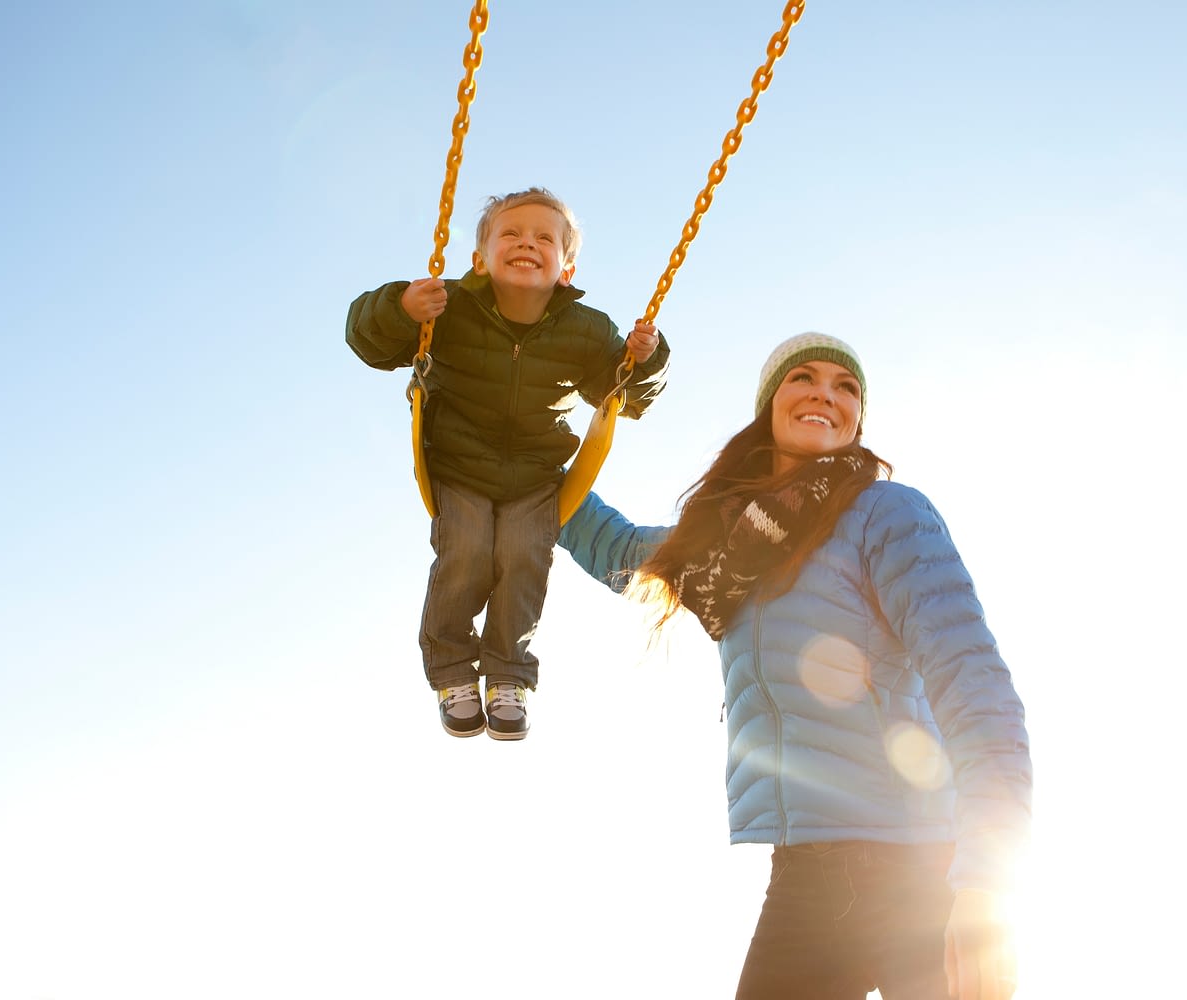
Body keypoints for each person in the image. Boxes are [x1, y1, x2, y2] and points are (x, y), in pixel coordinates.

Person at [558, 333, 1030, 999]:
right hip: (805, 877)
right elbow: (615, 546)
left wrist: (986, 878)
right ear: (770, 405)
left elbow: (973, 682)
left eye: (846, 387)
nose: (824, 394)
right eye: (802, 378)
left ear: (857, 419)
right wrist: (521, 452)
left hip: (920, 865)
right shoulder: (722, 545)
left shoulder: (885, 514)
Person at [346, 187, 670, 740]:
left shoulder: (586, 331)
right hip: (459, 469)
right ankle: (451, 670)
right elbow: (366, 338)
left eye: (545, 237)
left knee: (524, 558)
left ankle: (507, 677)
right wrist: (401, 308)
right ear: (480, 259)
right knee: (466, 552)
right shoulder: (447, 308)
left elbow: (627, 396)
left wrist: (645, 359)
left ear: (566, 268)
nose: (528, 243)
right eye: (513, 234)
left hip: (534, 479)